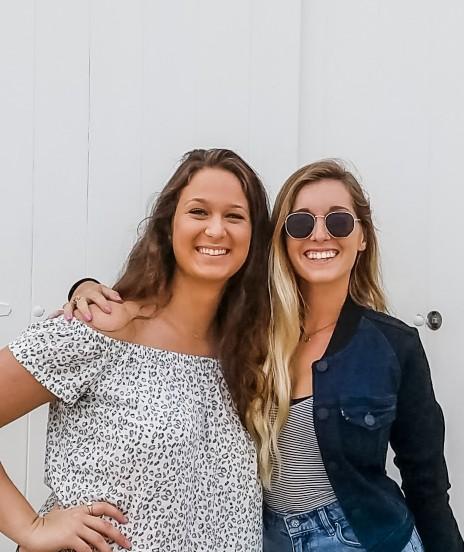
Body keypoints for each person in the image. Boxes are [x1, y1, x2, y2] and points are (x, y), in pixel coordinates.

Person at [66, 160, 464, 552]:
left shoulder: (393, 346)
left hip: (366, 538)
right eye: (301, 223)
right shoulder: (246, 330)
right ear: (283, 239)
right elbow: (172, 309)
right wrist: (86, 290)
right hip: (264, 539)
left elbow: (426, 484)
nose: (320, 235)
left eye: (339, 221)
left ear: (362, 236)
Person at [0, 148, 272, 551]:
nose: (216, 230)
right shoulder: (103, 327)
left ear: (255, 235)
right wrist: (31, 528)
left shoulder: (251, 353)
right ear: (168, 226)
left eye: (234, 216)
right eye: (199, 212)